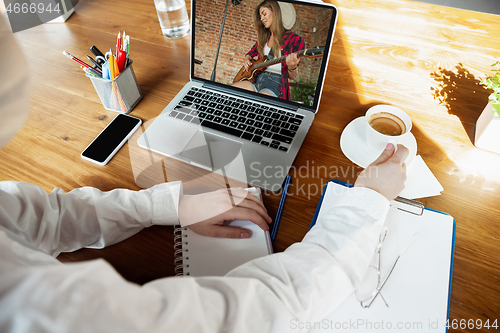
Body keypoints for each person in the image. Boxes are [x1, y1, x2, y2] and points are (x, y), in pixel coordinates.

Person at [0, 14, 409, 332]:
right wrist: (368, 203)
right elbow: (255, 315)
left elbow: (45, 217)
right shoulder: (30, 307)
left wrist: (170, 204)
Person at [232, 0, 304, 100]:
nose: (262, 18)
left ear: (275, 12)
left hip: (275, 82)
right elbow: (250, 53)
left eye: (264, 14)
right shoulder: (264, 38)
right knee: (229, 92)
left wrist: (292, 67)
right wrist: (247, 59)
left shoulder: (295, 40)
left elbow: (292, 76)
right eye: (260, 16)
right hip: (256, 79)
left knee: (257, 104)